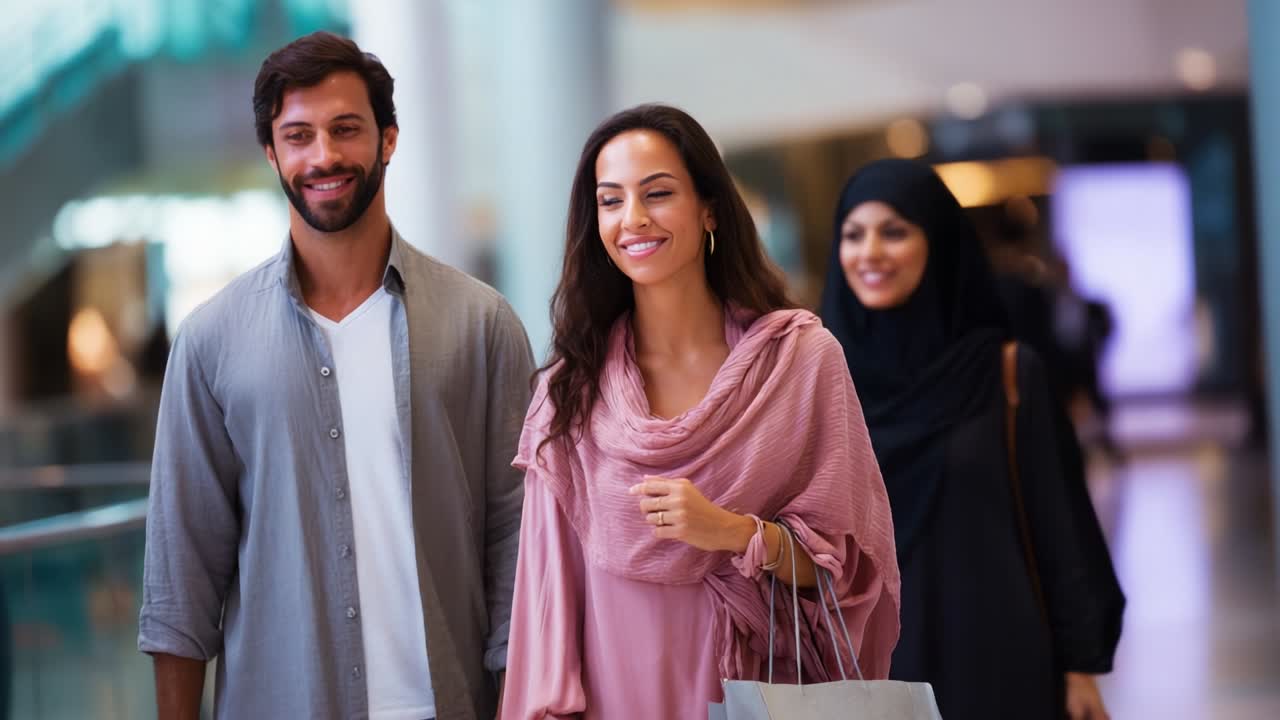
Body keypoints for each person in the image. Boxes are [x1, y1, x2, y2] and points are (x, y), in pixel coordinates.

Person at [138, 32, 535, 720]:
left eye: (345, 129)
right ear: (271, 152)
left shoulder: (482, 325)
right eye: (298, 135)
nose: (323, 155)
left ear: (388, 140)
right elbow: (182, 581)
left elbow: (519, 546)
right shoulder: (210, 342)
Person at [498, 104, 901, 719]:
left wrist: (734, 533)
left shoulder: (798, 363)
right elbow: (548, 603)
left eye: (656, 193)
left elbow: (848, 574)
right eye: (610, 201)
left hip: (758, 696)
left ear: (709, 207)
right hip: (618, 696)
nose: (632, 219)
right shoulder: (570, 392)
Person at [819, 158, 1124, 720]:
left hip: (999, 661)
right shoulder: (821, 383)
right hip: (870, 667)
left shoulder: (1008, 375)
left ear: (937, 241)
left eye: (895, 231)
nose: (870, 253)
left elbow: (1061, 527)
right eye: (853, 234)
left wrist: (1080, 665)